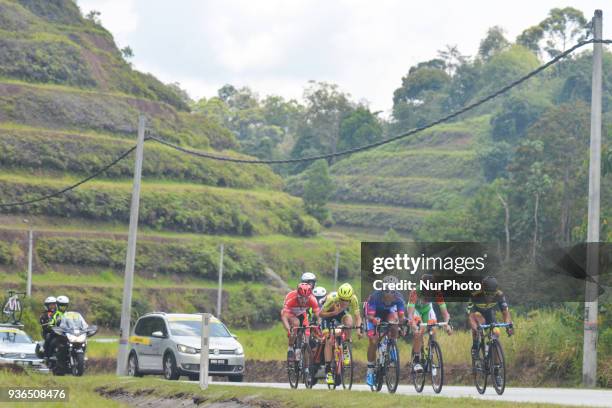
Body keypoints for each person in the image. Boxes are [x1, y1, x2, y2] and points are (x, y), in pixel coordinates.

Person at [364, 276, 406, 387]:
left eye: (393, 291)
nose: (390, 294)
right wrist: (374, 320)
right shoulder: (374, 297)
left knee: (394, 322)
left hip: (388, 313)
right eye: (387, 291)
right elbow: (370, 316)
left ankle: (392, 345)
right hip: (373, 315)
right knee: (373, 342)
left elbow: (401, 316)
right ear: (383, 290)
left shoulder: (399, 297)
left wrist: (402, 325)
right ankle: (370, 370)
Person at [407, 274, 452, 373]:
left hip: (427, 310)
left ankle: (430, 356)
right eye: (426, 291)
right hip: (416, 310)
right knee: (419, 331)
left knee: (433, 328)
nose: (428, 293)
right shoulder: (415, 292)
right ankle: (416, 360)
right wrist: (413, 324)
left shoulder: (437, 292)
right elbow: (410, 313)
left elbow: (445, 312)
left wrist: (447, 324)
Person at [319, 283, 362, 385]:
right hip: (328, 316)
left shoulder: (354, 299)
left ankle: (346, 346)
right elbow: (320, 314)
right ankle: (328, 370)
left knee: (349, 321)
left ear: (350, 297)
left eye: (347, 300)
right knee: (329, 340)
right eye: (342, 299)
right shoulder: (332, 299)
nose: (344, 302)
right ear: (339, 296)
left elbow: (358, 317)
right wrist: (333, 313)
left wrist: (359, 330)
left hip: (340, 314)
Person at [468, 276, 513, 357]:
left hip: (489, 314)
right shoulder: (475, 295)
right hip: (476, 314)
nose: (490, 297)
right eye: (488, 294)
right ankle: (475, 346)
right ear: (482, 289)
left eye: (493, 294)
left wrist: (508, 326)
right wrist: (475, 328)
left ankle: (493, 362)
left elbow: (505, 313)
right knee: (477, 326)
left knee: (496, 333)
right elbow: (471, 317)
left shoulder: (499, 295)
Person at [281, 283, 320, 361]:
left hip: (302, 314)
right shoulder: (291, 298)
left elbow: (318, 315)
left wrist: (319, 325)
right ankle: (291, 348)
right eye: (301, 298)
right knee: (296, 323)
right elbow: (284, 316)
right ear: (297, 295)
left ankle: (305, 368)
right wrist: (289, 329)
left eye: (306, 298)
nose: (304, 300)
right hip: (289, 313)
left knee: (306, 340)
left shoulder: (312, 299)